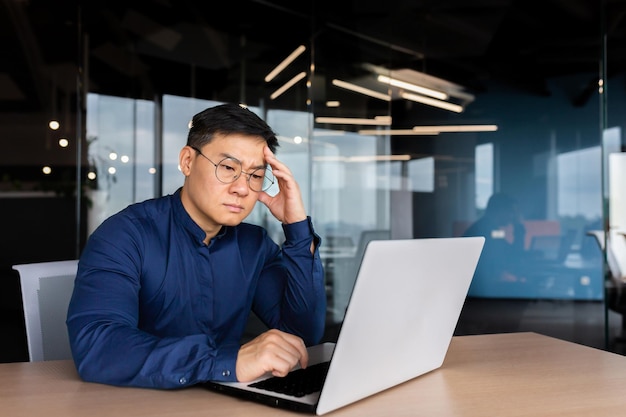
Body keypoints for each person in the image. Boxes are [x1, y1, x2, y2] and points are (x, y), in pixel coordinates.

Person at [66, 103, 326, 389]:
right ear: (187, 161)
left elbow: (301, 337)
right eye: (228, 168)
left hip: (223, 404)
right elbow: (98, 346)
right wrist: (228, 362)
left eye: (255, 175)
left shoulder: (254, 245)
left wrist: (297, 227)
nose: (242, 188)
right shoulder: (125, 235)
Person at [463, 193, 527, 293]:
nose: (513, 216)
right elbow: (509, 257)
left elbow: (508, 250)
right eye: (511, 212)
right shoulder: (484, 230)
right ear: (500, 210)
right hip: (481, 287)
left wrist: (519, 230)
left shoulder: (491, 228)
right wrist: (518, 227)